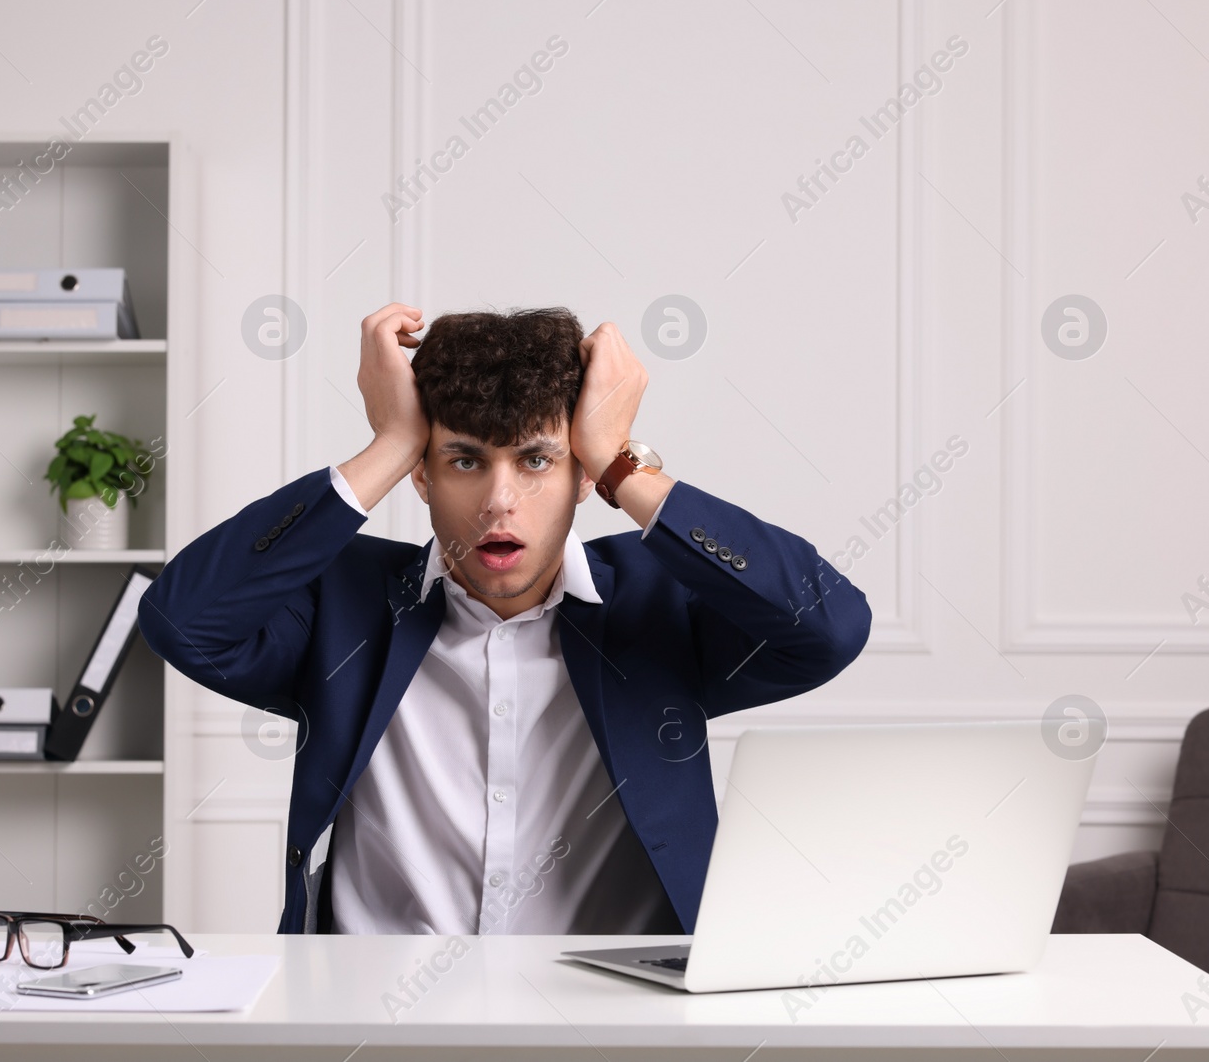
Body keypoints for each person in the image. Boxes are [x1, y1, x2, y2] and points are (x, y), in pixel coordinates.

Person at [138, 302, 872, 934]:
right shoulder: (346, 602)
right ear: (420, 474)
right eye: (462, 461)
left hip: (609, 1025)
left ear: (581, 475)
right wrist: (390, 442)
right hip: (369, 1020)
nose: (499, 500)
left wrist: (623, 463)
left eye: (536, 460)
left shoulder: (657, 604)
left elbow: (829, 626)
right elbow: (183, 619)